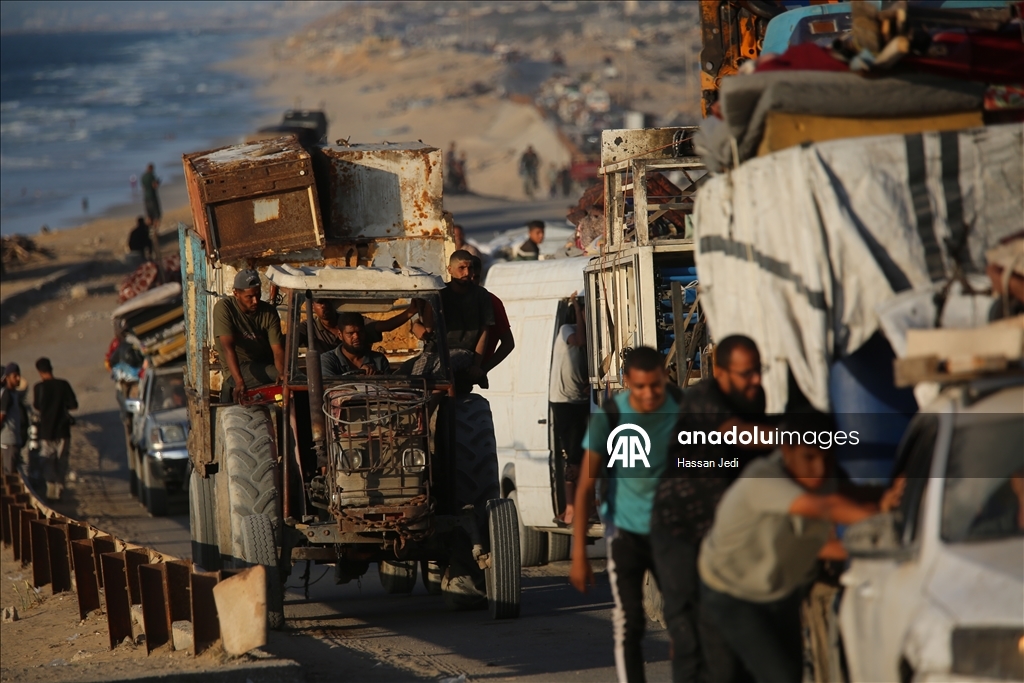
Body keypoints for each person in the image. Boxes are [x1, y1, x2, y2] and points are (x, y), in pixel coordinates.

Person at [698, 411, 882, 683]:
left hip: (779, 590)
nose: (819, 469)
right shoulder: (763, 478)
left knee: (790, 673)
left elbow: (851, 495)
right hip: (731, 592)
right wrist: (892, 524)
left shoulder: (819, 476)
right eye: (809, 457)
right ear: (787, 450)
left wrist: (891, 496)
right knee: (762, 675)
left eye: (827, 457)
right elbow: (827, 506)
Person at [649, 334, 773, 683]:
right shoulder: (706, 397)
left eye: (758, 371)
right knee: (692, 643)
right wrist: (797, 439)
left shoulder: (755, 398)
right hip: (679, 535)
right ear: (721, 372)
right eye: (745, 373)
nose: (756, 381)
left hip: (723, 535)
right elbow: (736, 433)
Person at [570, 347, 683, 683]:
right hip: (626, 532)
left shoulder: (681, 411)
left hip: (671, 530)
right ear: (627, 382)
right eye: (640, 387)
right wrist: (579, 553)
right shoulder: (611, 418)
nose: (649, 394)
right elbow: (585, 487)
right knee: (630, 621)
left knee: (683, 619)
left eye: (655, 386)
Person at [213, 269, 284, 403]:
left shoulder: (269, 312)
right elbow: (228, 347)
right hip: (238, 370)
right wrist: (239, 382)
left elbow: (278, 350)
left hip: (263, 364)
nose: (255, 301)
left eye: (258, 294)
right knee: (272, 372)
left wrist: (282, 373)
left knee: (290, 377)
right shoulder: (224, 308)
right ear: (236, 293)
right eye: (249, 297)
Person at [551, 291, 589, 524]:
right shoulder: (567, 331)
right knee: (573, 458)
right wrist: (577, 308)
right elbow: (580, 341)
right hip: (565, 403)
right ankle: (571, 509)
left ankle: (583, 507)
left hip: (579, 401)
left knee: (584, 456)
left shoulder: (586, 338)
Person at [438, 250, 494, 383]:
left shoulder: (481, 295)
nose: (467, 273)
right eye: (462, 268)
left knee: (441, 374)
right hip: (435, 352)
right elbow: (427, 326)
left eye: (470, 268)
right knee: (412, 374)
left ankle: (428, 405)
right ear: (450, 270)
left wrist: (477, 365)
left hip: (463, 353)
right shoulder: (440, 294)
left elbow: (484, 332)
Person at [300, 298, 422, 354]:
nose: (324, 306)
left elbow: (384, 326)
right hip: (326, 378)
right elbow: (287, 343)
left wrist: (410, 311)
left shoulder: (351, 320)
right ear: (312, 307)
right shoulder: (307, 328)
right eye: (320, 303)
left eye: (327, 301)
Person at [33, 358, 78, 502]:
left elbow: (37, 407)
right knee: (62, 461)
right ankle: (60, 488)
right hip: (63, 431)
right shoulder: (63, 385)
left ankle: (51, 488)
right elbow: (73, 405)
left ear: (40, 372)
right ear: (51, 368)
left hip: (46, 431)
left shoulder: (38, 388)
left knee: (47, 461)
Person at [468, 255, 513, 374]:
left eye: (476, 277)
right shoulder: (449, 298)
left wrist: (483, 369)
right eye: (468, 278)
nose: (472, 282)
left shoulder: (492, 301)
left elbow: (508, 343)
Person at [321, 313, 391, 378]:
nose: (356, 337)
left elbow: (390, 387)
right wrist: (359, 379)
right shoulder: (328, 360)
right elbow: (328, 385)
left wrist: (377, 377)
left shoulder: (379, 360)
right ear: (340, 335)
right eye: (350, 333)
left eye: (360, 332)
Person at [1, 363, 24, 476]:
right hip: (8, 441)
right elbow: (1, 417)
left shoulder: (13, 394)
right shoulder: (7, 394)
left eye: (19, 375)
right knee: (9, 475)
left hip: (13, 440)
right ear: (8, 378)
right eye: (15, 376)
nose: (18, 378)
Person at [141, 163, 161, 229]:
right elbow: (154, 185)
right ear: (152, 169)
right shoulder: (151, 176)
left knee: (149, 215)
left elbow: (143, 187)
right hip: (152, 197)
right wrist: (158, 183)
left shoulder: (143, 176)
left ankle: (148, 231)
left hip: (146, 198)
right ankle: (155, 231)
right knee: (156, 215)